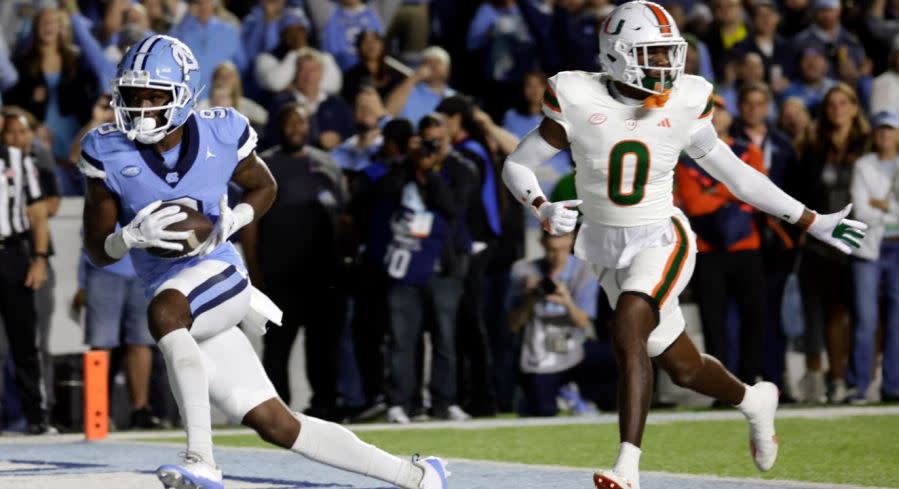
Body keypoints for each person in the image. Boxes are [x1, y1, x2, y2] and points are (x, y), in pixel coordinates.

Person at [500, 3, 866, 488]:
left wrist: (810, 220)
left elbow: (736, 175)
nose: (666, 66)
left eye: (669, 54)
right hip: (606, 245)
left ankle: (627, 468)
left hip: (660, 236)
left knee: (631, 321)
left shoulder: (685, 99)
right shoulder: (574, 93)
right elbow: (517, 165)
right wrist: (542, 205)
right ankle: (753, 400)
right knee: (683, 368)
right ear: (617, 55)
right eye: (652, 54)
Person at [78, 34, 449, 489]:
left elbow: (265, 186)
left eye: (155, 96)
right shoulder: (106, 151)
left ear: (184, 95)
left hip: (221, 273)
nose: (141, 107)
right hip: (172, 289)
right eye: (133, 96)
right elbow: (97, 249)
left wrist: (231, 220)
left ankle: (201, 461)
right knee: (277, 424)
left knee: (165, 313)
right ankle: (416, 475)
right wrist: (129, 236)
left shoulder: (220, 130)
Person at [242, 102, 342, 419]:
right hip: (279, 274)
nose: (295, 129)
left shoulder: (327, 164)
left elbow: (344, 215)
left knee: (323, 345)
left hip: (322, 274)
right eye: (289, 123)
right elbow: (249, 222)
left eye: (301, 123)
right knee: (277, 346)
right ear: (279, 127)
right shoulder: (264, 165)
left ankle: (326, 404)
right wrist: (254, 270)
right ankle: (277, 408)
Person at [676, 98, 767, 386]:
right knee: (713, 321)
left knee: (754, 317)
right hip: (708, 250)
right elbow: (694, 204)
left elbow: (758, 192)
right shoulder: (684, 158)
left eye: (720, 110)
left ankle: (750, 380)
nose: (715, 116)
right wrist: (733, 189)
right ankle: (721, 385)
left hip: (746, 247)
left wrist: (715, 190)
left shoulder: (749, 151)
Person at [508, 231, 616, 417]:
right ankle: (537, 397)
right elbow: (513, 325)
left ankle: (584, 395)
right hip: (541, 353)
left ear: (571, 241)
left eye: (561, 250)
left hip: (575, 347)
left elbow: (582, 321)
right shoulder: (524, 271)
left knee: (617, 358)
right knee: (544, 411)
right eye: (550, 250)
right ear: (542, 242)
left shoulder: (583, 271)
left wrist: (566, 301)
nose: (556, 256)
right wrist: (530, 299)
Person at [849, 111, 899, 404]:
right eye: (880, 130)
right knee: (866, 320)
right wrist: (890, 208)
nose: (885, 136)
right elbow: (861, 211)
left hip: (897, 246)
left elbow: (874, 209)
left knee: (896, 321)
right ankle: (860, 386)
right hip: (869, 249)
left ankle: (892, 386)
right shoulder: (863, 165)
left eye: (890, 130)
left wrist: (882, 206)